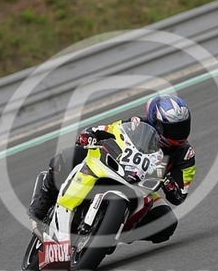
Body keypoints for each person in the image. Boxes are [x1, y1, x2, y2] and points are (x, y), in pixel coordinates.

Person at [27, 94, 195, 244]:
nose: (179, 133)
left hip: (143, 187)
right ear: (155, 123)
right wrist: (89, 135)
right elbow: (106, 130)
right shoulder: (136, 124)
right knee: (71, 155)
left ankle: (113, 229)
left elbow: (180, 195)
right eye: (173, 128)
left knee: (167, 222)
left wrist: (171, 186)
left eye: (182, 126)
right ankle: (42, 204)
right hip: (114, 166)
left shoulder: (185, 154)